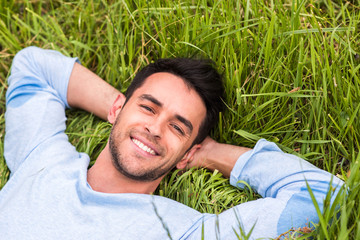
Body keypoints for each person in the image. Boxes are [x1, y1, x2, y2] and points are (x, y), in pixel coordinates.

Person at [0, 46, 343, 239]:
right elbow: (34, 66)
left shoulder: (183, 232)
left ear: (186, 154)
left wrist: (211, 153)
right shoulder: (41, 157)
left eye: (178, 129)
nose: (154, 128)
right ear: (118, 107)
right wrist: (120, 111)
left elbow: (323, 195)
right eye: (148, 107)